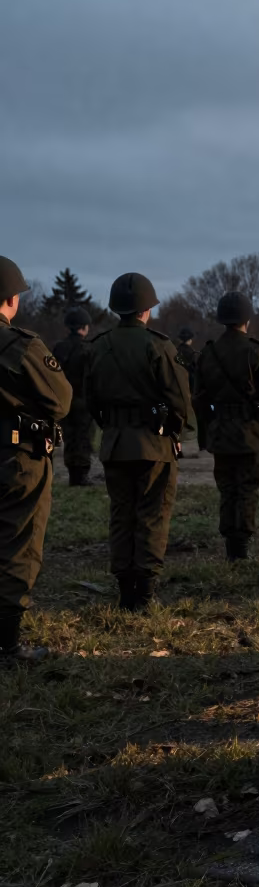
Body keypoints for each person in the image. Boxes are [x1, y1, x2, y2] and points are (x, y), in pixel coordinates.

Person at [85, 272, 190, 611]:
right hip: (152, 443)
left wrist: (113, 426)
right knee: (152, 514)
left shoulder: (99, 346)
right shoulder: (159, 345)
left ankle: (124, 590)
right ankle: (143, 595)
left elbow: (91, 399)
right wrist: (174, 431)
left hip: (114, 442)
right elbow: (179, 399)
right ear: (146, 310)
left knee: (121, 514)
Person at [0, 256, 73, 663]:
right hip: (15, 456)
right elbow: (60, 400)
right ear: (10, 299)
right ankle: (6, 644)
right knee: (16, 542)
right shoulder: (19, 345)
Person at [193, 292, 259, 561]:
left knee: (227, 488)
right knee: (247, 488)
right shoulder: (257, 351)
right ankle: (241, 548)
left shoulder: (208, 352)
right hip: (251, 432)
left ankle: (231, 545)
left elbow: (198, 398)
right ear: (247, 318)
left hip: (221, 431)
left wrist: (211, 425)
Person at [52, 305, 96, 486]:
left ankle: (73, 473)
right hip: (84, 400)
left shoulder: (58, 348)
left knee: (69, 438)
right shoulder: (89, 349)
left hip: (63, 400)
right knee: (84, 438)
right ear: (84, 326)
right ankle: (81, 475)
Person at [177, 327, 198, 392]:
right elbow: (193, 368)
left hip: (177, 379)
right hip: (188, 380)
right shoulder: (190, 352)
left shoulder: (176, 350)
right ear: (189, 340)